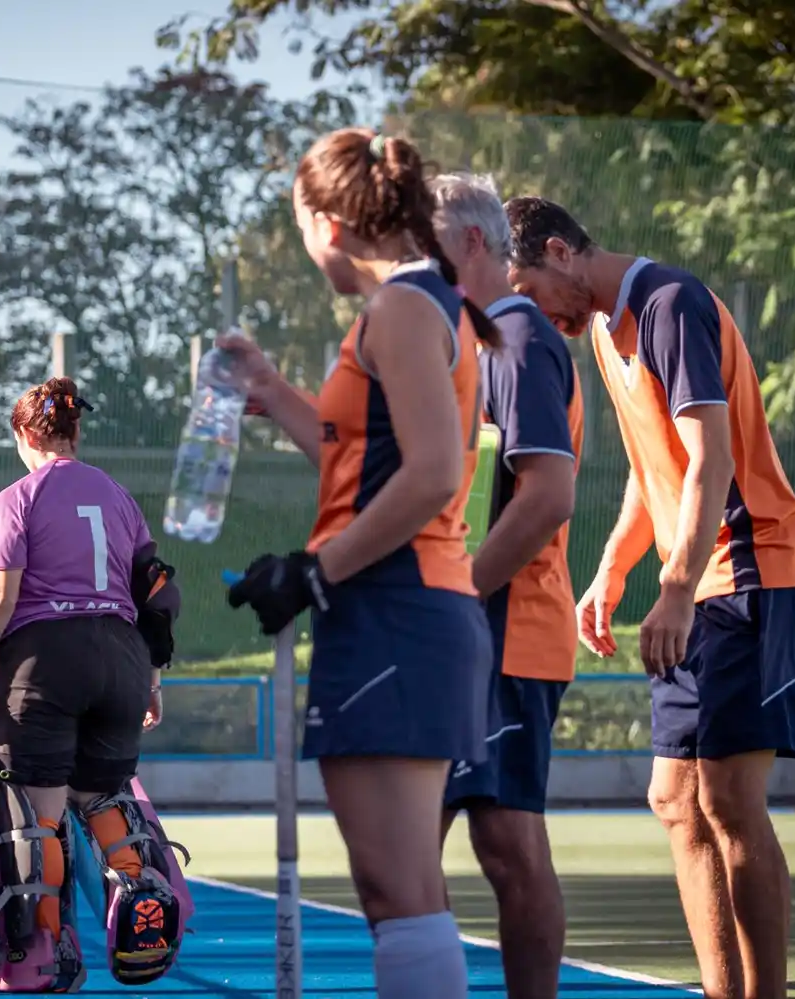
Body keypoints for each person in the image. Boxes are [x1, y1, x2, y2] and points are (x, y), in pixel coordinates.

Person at [504, 195, 795, 999]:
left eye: (527, 288)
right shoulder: (608, 334)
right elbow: (658, 476)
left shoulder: (668, 303)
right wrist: (613, 568)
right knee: (675, 798)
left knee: (724, 795)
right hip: (703, 573)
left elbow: (712, 460)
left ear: (559, 251)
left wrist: (674, 587)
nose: (529, 311)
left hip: (755, 565)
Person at [223, 127, 500, 998]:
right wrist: (273, 391)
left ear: (329, 224)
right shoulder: (406, 308)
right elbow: (362, 460)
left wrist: (317, 570)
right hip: (395, 607)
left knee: (400, 891)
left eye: (301, 227)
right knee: (399, 892)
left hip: (399, 605)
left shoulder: (406, 308)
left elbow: (431, 475)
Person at [0, 377, 171, 987]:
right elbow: (154, 597)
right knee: (100, 793)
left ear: (25, 434)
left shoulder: (17, 498)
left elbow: (1, 596)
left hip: (43, 662)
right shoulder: (122, 499)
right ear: (77, 432)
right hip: (123, 660)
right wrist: (151, 680)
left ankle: (44, 951)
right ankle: (139, 886)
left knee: (37, 814)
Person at [430, 173, 582, 999]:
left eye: (429, 249)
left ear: (474, 243)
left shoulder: (518, 336)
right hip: (476, 628)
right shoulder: (478, 343)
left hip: (508, 627)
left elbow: (547, 496)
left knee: (506, 845)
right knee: (413, 843)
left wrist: (459, 593)